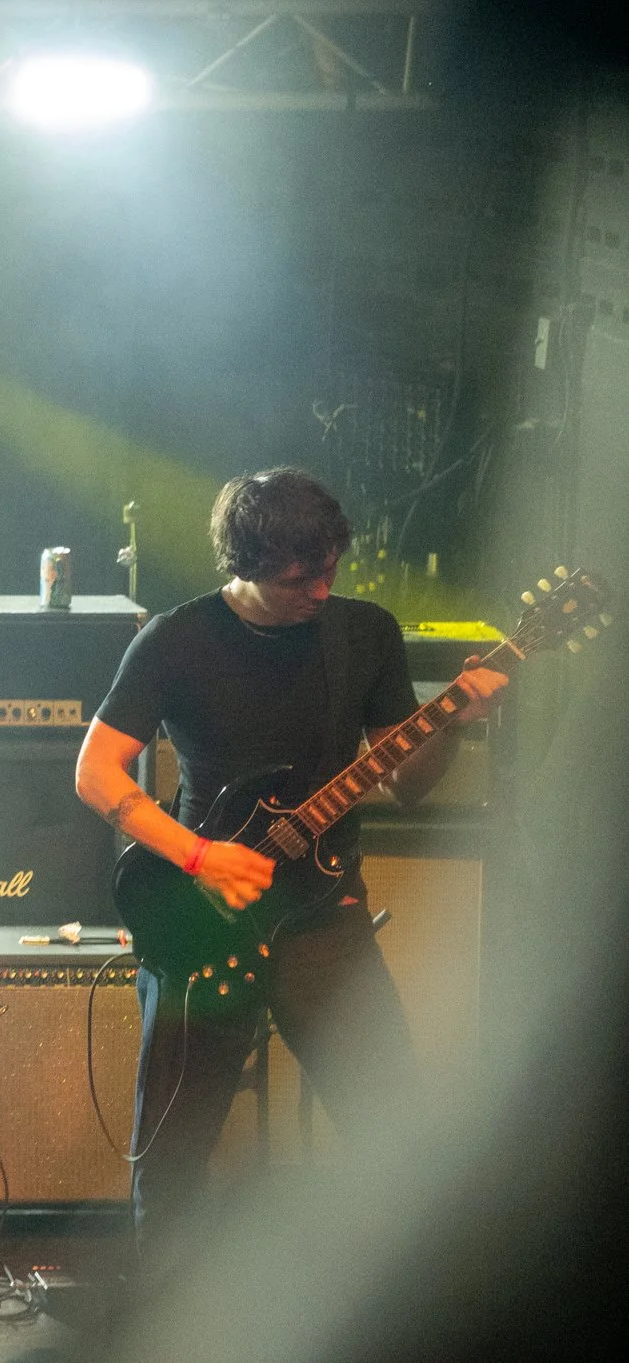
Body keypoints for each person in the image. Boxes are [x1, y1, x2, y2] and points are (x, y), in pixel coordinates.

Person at [74, 467, 507, 1250]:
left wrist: (458, 719)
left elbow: (410, 784)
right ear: (243, 566)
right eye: (297, 579)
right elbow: (95, 771)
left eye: (330, 571)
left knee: (397, 1129)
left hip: (325, 916)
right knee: (172, 1164)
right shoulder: (176, 639)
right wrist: (202, 856)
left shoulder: (364, 632)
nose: (319, 592)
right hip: (204, 917)